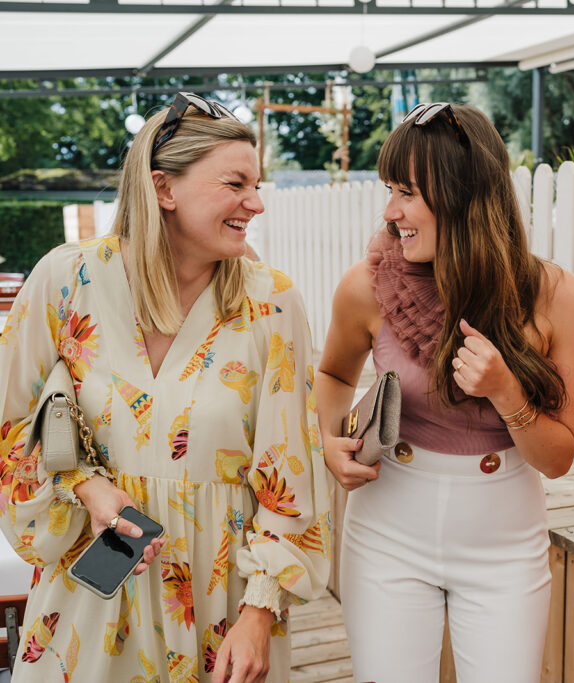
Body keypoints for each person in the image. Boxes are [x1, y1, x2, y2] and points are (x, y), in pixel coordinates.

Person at [0, 92, 331, 682]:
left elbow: (292, 472)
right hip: (91, 593)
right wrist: (87, 487)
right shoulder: (64, 281)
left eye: (257, 185)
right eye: (236, 184)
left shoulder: (272, 303)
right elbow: (9, 426)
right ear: (163, 189)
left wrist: (258, 613)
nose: (255, 203)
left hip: (223, 606)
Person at [316, 102, 574, 682]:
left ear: (465, 193)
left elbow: (558, 458)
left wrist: (505, 390)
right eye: (389, 190)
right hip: (387, 531)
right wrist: (328, 438)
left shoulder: (560, 297)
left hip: (506, 543)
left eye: (408, 193)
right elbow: (336, 375)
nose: (390, 213)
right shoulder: (367, 287)